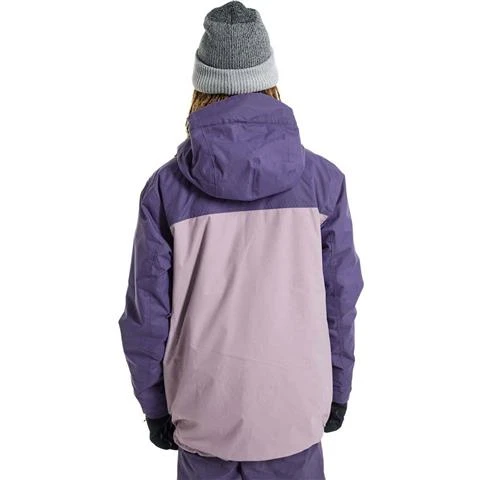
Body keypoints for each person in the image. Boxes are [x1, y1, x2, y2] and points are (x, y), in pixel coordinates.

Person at [118, 1, 364, 479]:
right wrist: (337, 389)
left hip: (203, 416)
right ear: (269, 80)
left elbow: (146, 313)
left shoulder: (165, 191)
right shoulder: (323, 183)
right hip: (295, 413)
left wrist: (155, 407)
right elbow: (340, 300)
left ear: (202, 85)